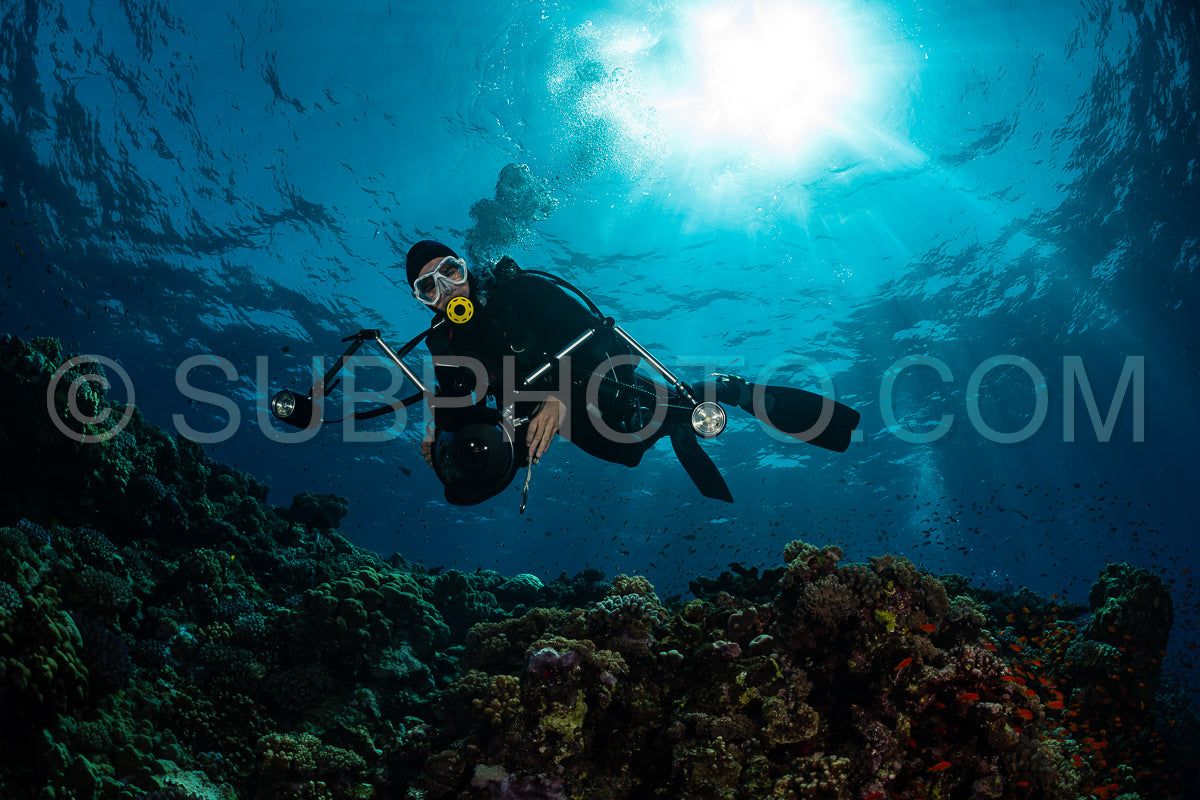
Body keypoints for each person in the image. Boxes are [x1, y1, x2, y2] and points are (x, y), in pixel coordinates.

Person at [405, 239, 860, 503]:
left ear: (467, 268)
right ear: (423, 300)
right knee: (628, 454)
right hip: (549, 418)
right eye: (429, 287)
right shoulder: (446, 344)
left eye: (450, 270)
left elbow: (603, 335)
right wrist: (441, 436)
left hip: (604, 382)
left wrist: (559, 395)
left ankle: (727, 390)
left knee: (655, 420)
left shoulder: (521, 292)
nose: (447, 288)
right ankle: (677, 426)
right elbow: (462, 409)